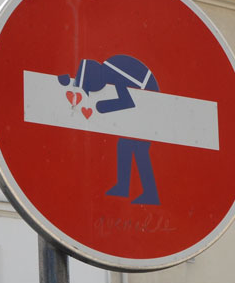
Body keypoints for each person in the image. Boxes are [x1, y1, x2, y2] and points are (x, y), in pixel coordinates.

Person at [59, 55, 160, 205]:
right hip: (144, 101)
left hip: (150, 102)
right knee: (125, 145)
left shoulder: (114, 70)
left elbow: (126, 101)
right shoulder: (110, 68)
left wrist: (102, 106)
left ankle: (150, 193)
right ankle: (123, 187)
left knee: (138, 147)